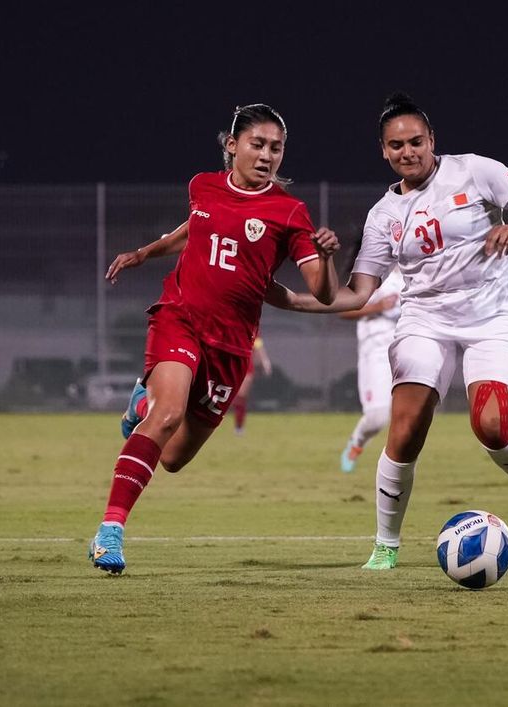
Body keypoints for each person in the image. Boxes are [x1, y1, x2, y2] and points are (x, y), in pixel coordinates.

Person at [267, 93, 508, 570]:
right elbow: (356, 295)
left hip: (494, 315)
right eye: (396, 145)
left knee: (490, 424)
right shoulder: (383, 216)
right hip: (425, 320)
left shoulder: (475, 170)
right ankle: (386, 544)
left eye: (416, 142)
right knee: (405, 429)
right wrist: (288, 299)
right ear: (383, 151)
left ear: (432, 140)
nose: (408, 152)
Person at [89, 103, 340, 575]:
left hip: (232, 345)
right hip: (180, 317)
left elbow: (323, 293)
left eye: (276, 148)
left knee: (175, 458)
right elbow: (195, 229)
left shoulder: (290, 213)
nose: (267, 155)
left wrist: (326, 259)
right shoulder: (202, 185)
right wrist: (145, 252)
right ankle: (110, 531)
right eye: (257, 144)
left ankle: (140, 407)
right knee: (167, 417)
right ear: (232, 145)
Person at [336, 266, 404, 472]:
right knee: (377, 418)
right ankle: (356, 442)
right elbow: (342, 308)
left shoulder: (419, 271)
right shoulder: (373, 272)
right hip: (377, 352)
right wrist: (378, 307)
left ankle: (398, 470)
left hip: (409, 349)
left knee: (410, 418)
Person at [231, 335, 273, 436]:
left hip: (247, 367)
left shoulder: (253, 327)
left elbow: (259, 347)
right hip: (230, 365)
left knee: (241, 397)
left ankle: (239, 427)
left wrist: (265, 362)